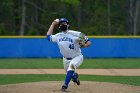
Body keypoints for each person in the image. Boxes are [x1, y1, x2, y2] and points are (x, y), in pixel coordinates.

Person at [46, 18, 91, 92]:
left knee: (71, 66)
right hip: (65, 59)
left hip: (77, 56)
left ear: (68, 25)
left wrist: (84, 45)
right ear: (59, 26)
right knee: (70, 73)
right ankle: (75, 77)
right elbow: (48, 37)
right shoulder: (58, 36)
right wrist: (53, 24)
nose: (63, 24)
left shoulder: (77, 33)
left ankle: (64, 86)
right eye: (61, 23)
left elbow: (89, 42)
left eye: (65, 23)